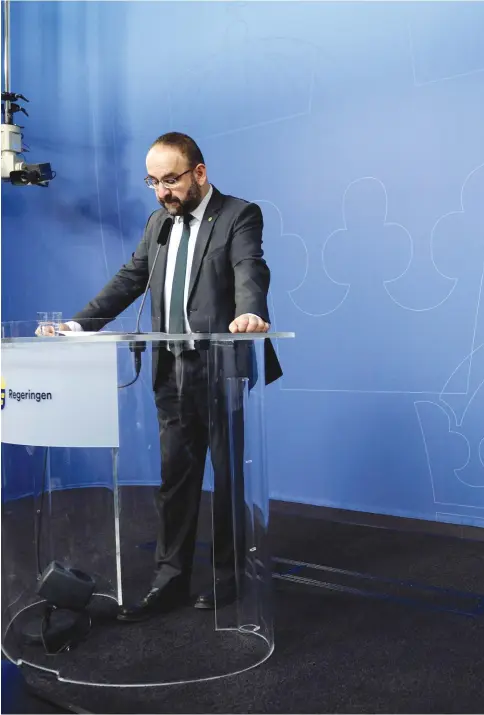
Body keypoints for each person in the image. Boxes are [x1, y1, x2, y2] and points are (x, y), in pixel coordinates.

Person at [57, 132, 282, 622]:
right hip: (171, 371)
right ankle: (170, 579)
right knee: (175, 480)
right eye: (154, 182)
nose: (163, 191)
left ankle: (230, 576)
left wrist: (250, 314)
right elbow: (131, 277)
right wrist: (78, 324)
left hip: (221, 368)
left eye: (171, 180)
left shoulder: (238, 214)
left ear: (199, 173)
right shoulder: (159, 222)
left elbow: (250, 268)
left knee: (226, 478)